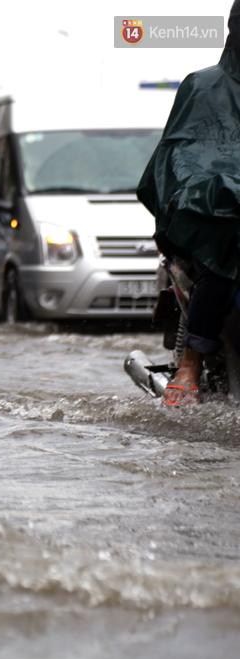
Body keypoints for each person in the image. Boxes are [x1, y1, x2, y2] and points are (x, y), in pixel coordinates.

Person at [137, 0, 240, 407]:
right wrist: (214, 189)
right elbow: (181, 154)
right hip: (216, 220)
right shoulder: (203, 86)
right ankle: (191, 363)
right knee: (224, 257)